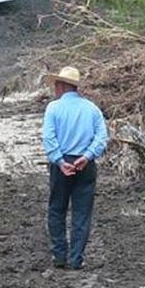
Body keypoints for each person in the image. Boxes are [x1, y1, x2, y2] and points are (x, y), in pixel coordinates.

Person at [42, 66, 108, 270]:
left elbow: (48, 138)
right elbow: (102, 138)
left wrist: (60, 161)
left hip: (61, 164)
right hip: (85, 165)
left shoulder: (53, 108)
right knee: (81, 213)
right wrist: (87, 156)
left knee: (57, 210)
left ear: (61, 85)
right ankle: (76, 258)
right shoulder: (91, 109)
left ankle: (59, 255)